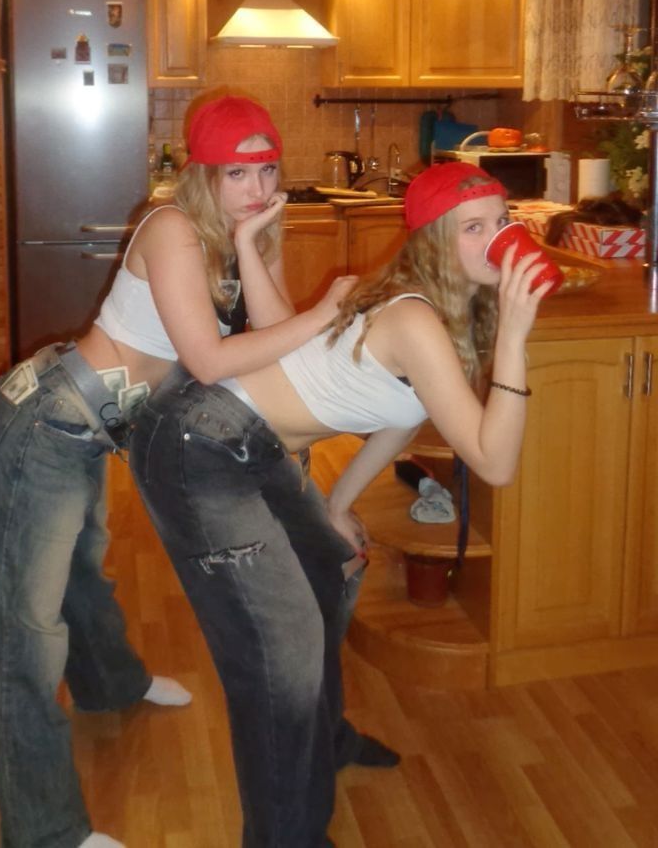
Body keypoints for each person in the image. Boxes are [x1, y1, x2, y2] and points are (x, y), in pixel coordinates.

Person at [129, 161, 551, 848]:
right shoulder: (416, 316)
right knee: (278, 654)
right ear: (434, 241)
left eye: (501, 223)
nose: (495, 240)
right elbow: (494, 461)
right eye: (472, 227)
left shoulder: (443, 306)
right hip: (196, 447)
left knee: (329, 572)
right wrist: (515, 336)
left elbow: (400, 415)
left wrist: (336, 502)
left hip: (249, 446)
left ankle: (325, 742)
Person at [0, 92, 356, 848]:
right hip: (41, 427)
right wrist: (327, 311)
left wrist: (257, 244)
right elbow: (214, 359)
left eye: (268, 168)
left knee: (82, 574)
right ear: (203, 175)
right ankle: (43, 832)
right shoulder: (173, 229)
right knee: (24, 636)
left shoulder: (231, 233)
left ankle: (110, 683)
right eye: (237, 173)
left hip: (91, 427)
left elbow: (274, 336)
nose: (256, 187)